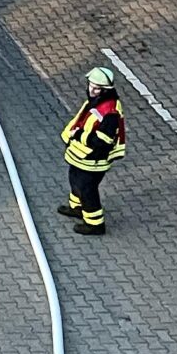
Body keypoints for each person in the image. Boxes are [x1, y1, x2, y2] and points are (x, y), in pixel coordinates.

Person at [60, 66, 126, 233]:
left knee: (87, 189)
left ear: (105, 90)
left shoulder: (109, 113)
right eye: (91, 85)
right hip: (83, 155)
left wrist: (79, 134)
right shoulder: (98, 102)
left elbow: (102, 141)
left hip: (94, 159)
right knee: (74, 179)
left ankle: (95, 224)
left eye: (97, 88)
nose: (92, 90)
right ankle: (77, 207)